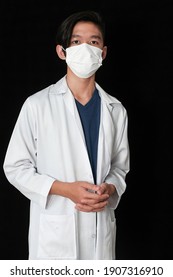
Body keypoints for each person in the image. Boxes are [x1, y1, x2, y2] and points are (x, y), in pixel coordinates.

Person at [3, 10, 130, 260]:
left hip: (100, 230)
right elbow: (15, 167)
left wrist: (110, 187)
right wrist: (63, 189)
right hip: (54, 235)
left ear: (103, 53)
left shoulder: (115, 109)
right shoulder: (37, 104)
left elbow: (120, 167)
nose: (86, 48)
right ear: (62, 51)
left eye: (94, 42)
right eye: (76, 41)